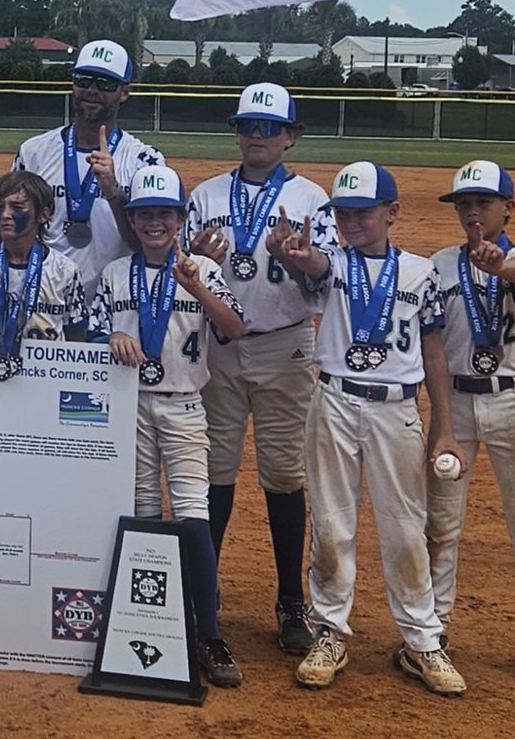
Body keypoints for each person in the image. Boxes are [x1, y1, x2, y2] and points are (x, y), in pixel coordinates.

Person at [280, 161, 468, 695]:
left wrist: (443, 428)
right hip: (335, 401)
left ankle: (422, 640)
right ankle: (329, 630)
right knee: (331, 524)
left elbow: (434, 350)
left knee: (405, 528)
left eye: (363, 212)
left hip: (396, 408)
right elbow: (313, 265)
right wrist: (295, 255)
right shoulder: (334, 263)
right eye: (343, 213)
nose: (351, 222)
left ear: (392, 212)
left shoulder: (420, 272)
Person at [184, 83, 335, 654]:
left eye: (269, 127)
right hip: (218, 347)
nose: (256, 135)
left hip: (284, 344)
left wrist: (295, 261)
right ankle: (205, 592)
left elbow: (322, 281)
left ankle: (291, 599)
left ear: (290, 136)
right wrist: (200, 260)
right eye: (247, 125)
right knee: (214, 470)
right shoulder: (205, 194)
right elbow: (180, 269)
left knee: (283, 474)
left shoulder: (311, 198)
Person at [88, 164, 247, 689]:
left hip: (183, 404)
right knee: (142, 511)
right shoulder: (116, 273)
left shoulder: (203, 270)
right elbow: (92, 331)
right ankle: (149, 623)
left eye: (164, 213)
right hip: (128, 405)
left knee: (193, 512)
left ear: (180, 219)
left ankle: (208, 632)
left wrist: (197, 287)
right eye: (144, 215)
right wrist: (110, 337)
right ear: (132, 221)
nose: (154, 223)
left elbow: (234, 328)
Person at [425, 160, 515, 646]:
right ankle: (432, 629)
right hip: (456, 401)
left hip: (511, 401)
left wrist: (499, 267)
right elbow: (432, 345)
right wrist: (440, 422)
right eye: (464, 204)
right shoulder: (440, 265)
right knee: (441, 523)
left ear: (508, 207)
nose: (472, 212)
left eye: (483, 202)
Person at [13, 39, 164, 295]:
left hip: (115, 302)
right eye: (83, 79)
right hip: (46, 301)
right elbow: (14, 232)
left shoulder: (145, 161)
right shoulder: (33, 152)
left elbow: (148, 246)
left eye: (105, 83)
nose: (92, 90)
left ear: (124, 92)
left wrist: (113, 192)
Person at [0, 171, 88, 379]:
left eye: (17, 207)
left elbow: (76, 342)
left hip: (48, 380)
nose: (5, 215)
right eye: (0, 207)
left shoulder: (66, 270)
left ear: (43, 215)